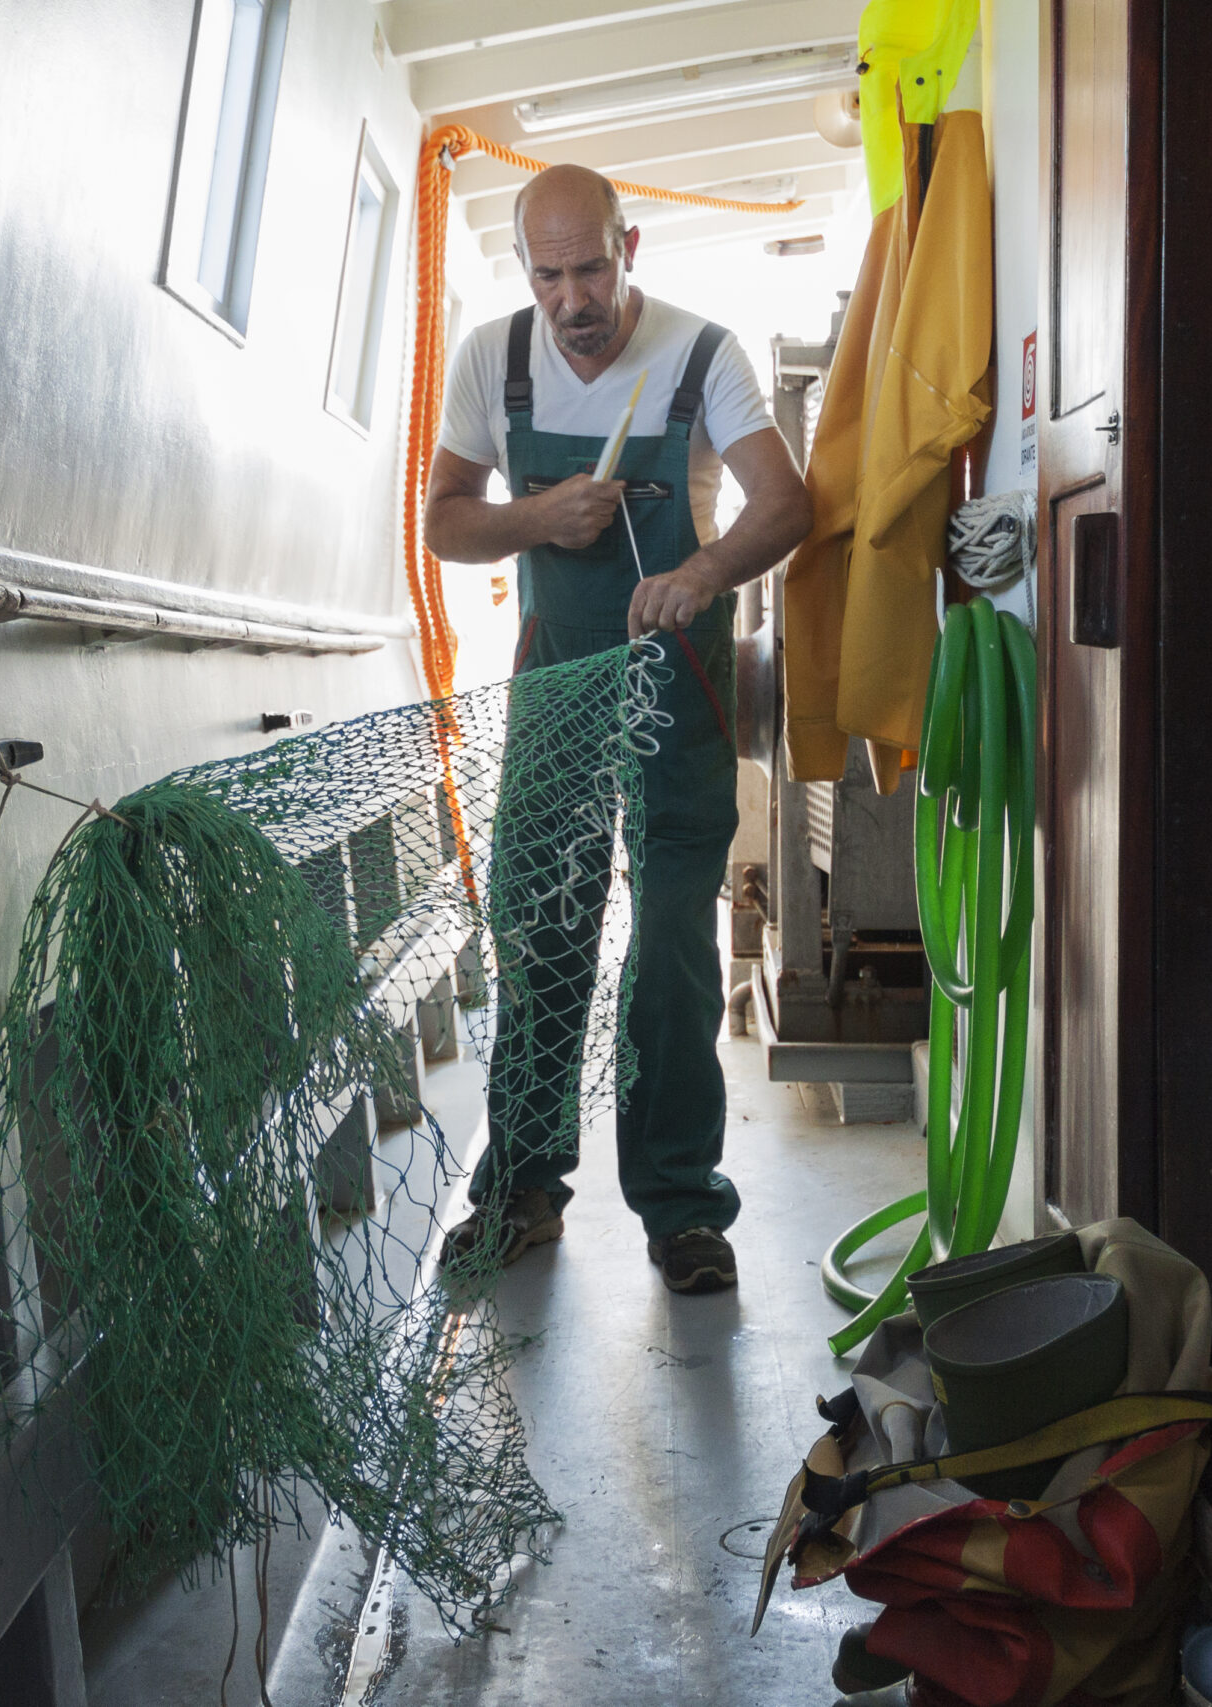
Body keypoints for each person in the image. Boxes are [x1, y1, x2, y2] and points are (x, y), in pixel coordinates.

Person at [425, 165, 813, 1295]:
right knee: (541, 935)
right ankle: (523, 1193)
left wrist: (699, 570)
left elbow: (784, 503)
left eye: (589, 268)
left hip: (679, 692)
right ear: (526, 271)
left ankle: (684, 1211)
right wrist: (536, 517)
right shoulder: (490, 364)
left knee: (672, 958)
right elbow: (445, 523)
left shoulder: (702, 356)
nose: (571, 301)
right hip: (555, 693)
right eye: (548, 276)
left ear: (628, 245)